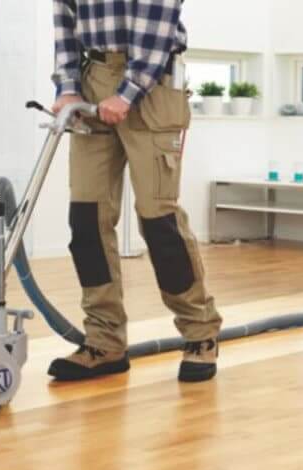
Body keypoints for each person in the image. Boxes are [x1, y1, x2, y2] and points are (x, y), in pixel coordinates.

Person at [47, 0, 223, 383]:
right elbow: (65, 24)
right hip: (92, 78)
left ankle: (200, 334)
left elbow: (157, 22)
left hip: (152, 80)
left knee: (158, 219)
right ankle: (104, 341)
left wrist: (127, 92)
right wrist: (68, 86)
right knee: (87, 219)